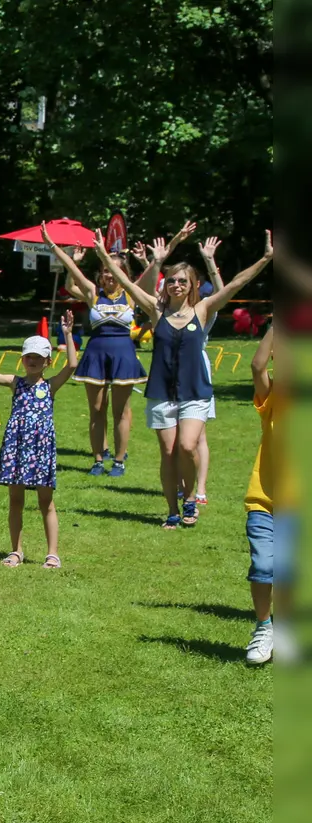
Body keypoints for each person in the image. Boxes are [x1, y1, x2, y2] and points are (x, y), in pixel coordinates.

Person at [93, 228, 272, 527]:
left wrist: (267, 258)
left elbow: (238, 283)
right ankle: (173, 510)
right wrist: (102, 254)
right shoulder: (155, 309)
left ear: (192, 286)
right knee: (168, 452)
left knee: (187, 446)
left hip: (194, 391)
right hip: (162, 392)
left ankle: (190, 496)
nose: (176, 285)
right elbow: (125, 281)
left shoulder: (202, 309)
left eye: (182, 281)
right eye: (172, 280)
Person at [0, 317, 77, 568]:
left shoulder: (50, 386)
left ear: (48, 362)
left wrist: (68, 334)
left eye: (38, 358)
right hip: (16, 447)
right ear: (22, 359)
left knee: (45, 501)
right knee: (15, 500)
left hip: (41, 448)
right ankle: (16, 550)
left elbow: (71, 365)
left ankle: (52, 553)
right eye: (28, 356)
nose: (32, 361)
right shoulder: (15, 382)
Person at [41, 233, 148, 476]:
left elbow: (152, 278)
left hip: (124, 355)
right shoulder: (92, 292)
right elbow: (71, 273)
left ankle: (119, 461)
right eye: (105, 271)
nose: (108, 275)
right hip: (96, 354)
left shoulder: (132, 292)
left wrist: (148, 261)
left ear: (124, 274)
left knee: (121, 411)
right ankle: (98, 459)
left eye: (114, 270)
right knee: (97, 409)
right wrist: (55, 246)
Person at [243, 323, 281, 665]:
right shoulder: (272, 398)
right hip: (264, 501)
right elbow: (257, 366)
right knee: (263, 565)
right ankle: (264, 626)